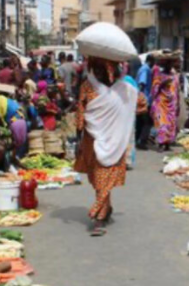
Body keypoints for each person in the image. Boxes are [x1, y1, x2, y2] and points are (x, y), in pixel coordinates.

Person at [74, 57, 137, 236]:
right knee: (97, 177)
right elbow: (81, 111)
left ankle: (98, 217)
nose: (101, 73)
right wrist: (78, 136)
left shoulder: (124, 88)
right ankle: (106, 207)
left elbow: (140, 105)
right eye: (98, 69)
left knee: (103, 176)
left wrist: (120, 114)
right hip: (92, 139)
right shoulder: (87, 86)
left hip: (115, 139)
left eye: (105, 69)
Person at [151, 59, 180, 152]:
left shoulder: (175, 77)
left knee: (171, 124)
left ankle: (167, 144)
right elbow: (154, 89)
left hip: (172, 104)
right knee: (162, 124)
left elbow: (177, 90)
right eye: (167, 64)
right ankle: (160, 143)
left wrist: (178, 103)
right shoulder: (159, 76)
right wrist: (162, 84)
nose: (169, 66)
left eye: (170, 64)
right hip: (161, 103)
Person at [135, 55, 155, 150]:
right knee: (148, 122)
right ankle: (142, 141)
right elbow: (142, 84)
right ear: (150, 61)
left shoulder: (142, 68)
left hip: (141, 99)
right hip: (145, 99)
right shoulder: (146, 70)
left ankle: (137, 140)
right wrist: (142, 99)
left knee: (140, 121)